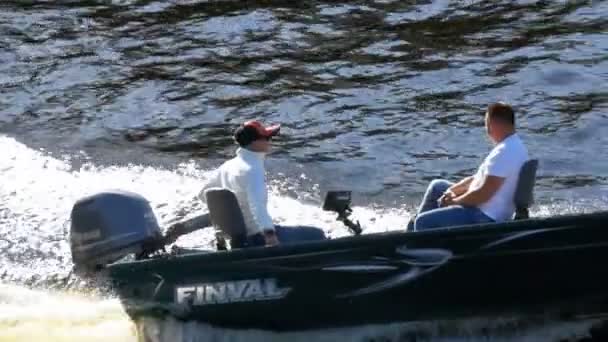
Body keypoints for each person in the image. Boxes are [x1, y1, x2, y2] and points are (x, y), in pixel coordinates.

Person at [198, 120, 327, 247]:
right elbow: (257, 205)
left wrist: (231, 216)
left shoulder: (227, 166)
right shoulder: (252, 169)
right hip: (256, 238)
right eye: (266, 138)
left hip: (235, 239)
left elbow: (203, 194)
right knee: (317, 234)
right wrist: (270, 236)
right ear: (254, 142)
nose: (269, 141)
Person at [407, 102, 529, 231]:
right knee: (437, 187)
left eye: (487, 125)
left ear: (495, 125)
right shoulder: (513, 145)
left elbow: (482, 194)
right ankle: (409, 234)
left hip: (484, 216)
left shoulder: (505, 152)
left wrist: (455, 201)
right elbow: (477, 179)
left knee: (423, 222)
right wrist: (453, 190)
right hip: (483, 206)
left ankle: (418, 243)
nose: (487, 131)